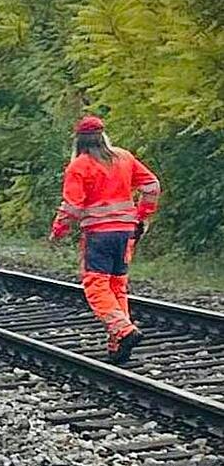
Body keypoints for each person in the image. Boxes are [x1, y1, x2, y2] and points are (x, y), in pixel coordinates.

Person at [50, 115, 160, 363]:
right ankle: (118, 342)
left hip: (99, 235)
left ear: (79, 141)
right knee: (117, 285)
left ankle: (124, 330)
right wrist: (142, 217)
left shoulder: (79, 166)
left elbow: (72, 208)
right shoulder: (124, 157)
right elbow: (152, 186)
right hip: (125, 232)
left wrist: (58, 230)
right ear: (103, 136)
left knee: (96, 286)